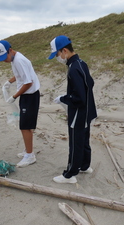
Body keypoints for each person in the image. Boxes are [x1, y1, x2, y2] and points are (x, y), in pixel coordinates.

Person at [48, 35, 97, 184]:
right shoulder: (82, 63)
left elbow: (79, 98)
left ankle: (69, 174)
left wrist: (64, 98)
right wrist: (70, 95)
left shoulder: (73, 69)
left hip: (79, 113)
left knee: (75, 143)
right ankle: (84, 165)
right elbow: (90, 83)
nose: (58, 58)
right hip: (89, 112)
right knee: (84, 140)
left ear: (64, 51)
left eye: (57, 54)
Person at [0, 40, 40, 167]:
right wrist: (9, 81)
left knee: (25, 126)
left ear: (10, 50)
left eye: (5, 57)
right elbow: (20, 74)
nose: (4, 60)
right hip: (27, 95)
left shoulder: (19, 60)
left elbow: (28, 82)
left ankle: (30, 156)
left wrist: (14, 96)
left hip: (29, 95)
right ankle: (28, 149)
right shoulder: (15, 59)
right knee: (26, 124)